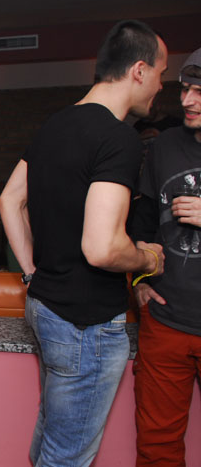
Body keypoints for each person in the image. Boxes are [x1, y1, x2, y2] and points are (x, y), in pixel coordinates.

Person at [0, 19, 167, 466]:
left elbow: (9, 200)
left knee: (51, 439)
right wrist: (147, 258)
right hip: (85, 323)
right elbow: (102, 248)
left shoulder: (53, 124)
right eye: (161, 73)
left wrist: (33, 272)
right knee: (66, 457)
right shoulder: (119, 138)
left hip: (46, 307)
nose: (160, 86)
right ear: (139, 70)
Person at [130, 47, 201, 466]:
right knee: (157, 446)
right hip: (166, 321)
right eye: (185, 88)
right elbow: (142, 223)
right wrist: (139, 281)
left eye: (200, 92)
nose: (187, 100)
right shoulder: (166, 145)